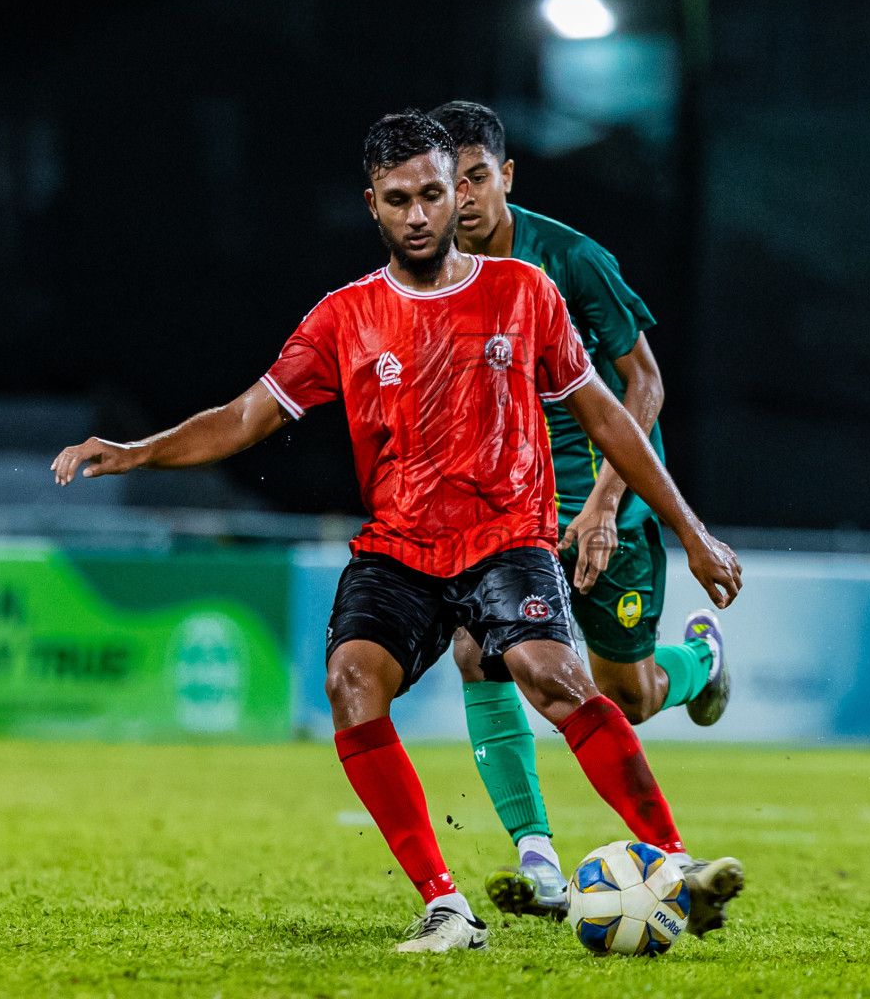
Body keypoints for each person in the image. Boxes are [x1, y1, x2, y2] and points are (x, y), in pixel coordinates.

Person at [51, 111, 745, 953]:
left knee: (554, 675)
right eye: (397, 199)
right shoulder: (345, 316)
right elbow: (243, 417)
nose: (417, 215)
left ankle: (676, 864)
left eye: (431, 194)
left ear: (458, 195)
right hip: (400, 548)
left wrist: (692, 532)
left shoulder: (526, 293)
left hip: (507, 539)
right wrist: (138, 451)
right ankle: (447, 906)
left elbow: (608, 416)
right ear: (371, 205)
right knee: (351, 681)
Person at [428, 100, 730, 920]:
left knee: (628, 695)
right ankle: (538, 862)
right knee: (476, 650)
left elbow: (646, 382)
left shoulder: (571, 259)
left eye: (478, 179)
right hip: (510, 516)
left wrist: (605, 504)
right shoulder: (431, 278)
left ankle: (699, 663)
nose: (464, 200)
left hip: (606, 505)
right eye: (449, 185)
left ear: (506, 175)